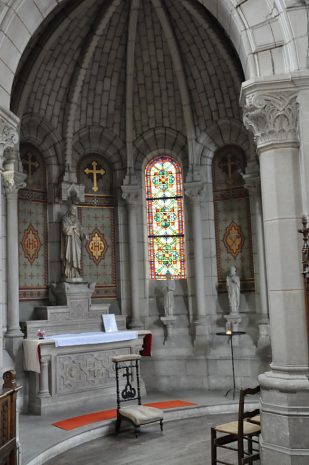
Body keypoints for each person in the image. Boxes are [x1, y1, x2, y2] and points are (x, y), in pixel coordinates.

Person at [61, 204, 88, 279]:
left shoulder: (77, 220)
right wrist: (72, 227)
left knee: (77, 256)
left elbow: (81, 230)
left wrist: (85, 235)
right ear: (69, 210)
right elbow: (65, 229)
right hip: (69, 241)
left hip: (76, 242)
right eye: (72, 209)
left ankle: (76, 273)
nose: (74, 211)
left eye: (75, 209)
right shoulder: (65, 219)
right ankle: (69, 273)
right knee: (69, 256)